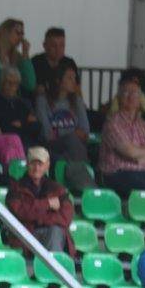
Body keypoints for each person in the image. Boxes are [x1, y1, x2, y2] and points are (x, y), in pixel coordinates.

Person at [35, 66, 96, 194]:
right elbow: (47, 133)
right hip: (52, 145)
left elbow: (85, 130)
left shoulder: (77, 101)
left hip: (72, 147)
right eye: (69, 78)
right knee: (72, 139)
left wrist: (61, 133)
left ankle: (77, 178)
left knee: (70, 150)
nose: (74, 81)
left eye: (74, 78)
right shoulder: (43, 100)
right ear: (58, 81)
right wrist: (72, 133)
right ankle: (87, 185)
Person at [6, 147, 75, 255]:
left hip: (51, 234)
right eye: (33, 164)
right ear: (27, 164)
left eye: (40, 164)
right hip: (26, 237)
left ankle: (50, 265)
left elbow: (65, 218)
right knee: (54, 231)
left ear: (47, 165)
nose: (36, 168)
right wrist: (47, 204)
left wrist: (37, 218)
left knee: (55, 230)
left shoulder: (58, 189)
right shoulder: (15, 189)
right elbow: (21, 213)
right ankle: (52, 265)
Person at [98, 78, 145, 196]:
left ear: (140, 99)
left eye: (135, 93)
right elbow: (130, 152)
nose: (131, 96)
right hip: (117, 173)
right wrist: (139, 155)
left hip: (144, 173)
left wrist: (139, 155)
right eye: (126, 92)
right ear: (119, 98)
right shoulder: (112, 124)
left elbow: (136, 155)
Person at [0, 18, 36, 94]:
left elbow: (30, 85)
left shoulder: (18, 57)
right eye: (17, 33)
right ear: (6, 33)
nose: (21, 38)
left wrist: (25, 55)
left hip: (15, 98)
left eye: (22, 34)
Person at [0, 66, 40, 147]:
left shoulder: (24, 103)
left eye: (15, 83)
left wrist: (21, 123)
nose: (12, 86)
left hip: (29, 142)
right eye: (9, 82)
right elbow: (4, 126)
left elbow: (36, 126)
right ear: (1, 82)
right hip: (8, 143)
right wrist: (26, 122)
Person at [30, 27, 79, 95]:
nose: (58, 49)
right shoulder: (35, 62)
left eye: (62, 45)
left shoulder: (69, 63)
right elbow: (30, 88)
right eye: (53, 45)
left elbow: (77, 88)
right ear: (45, 45)